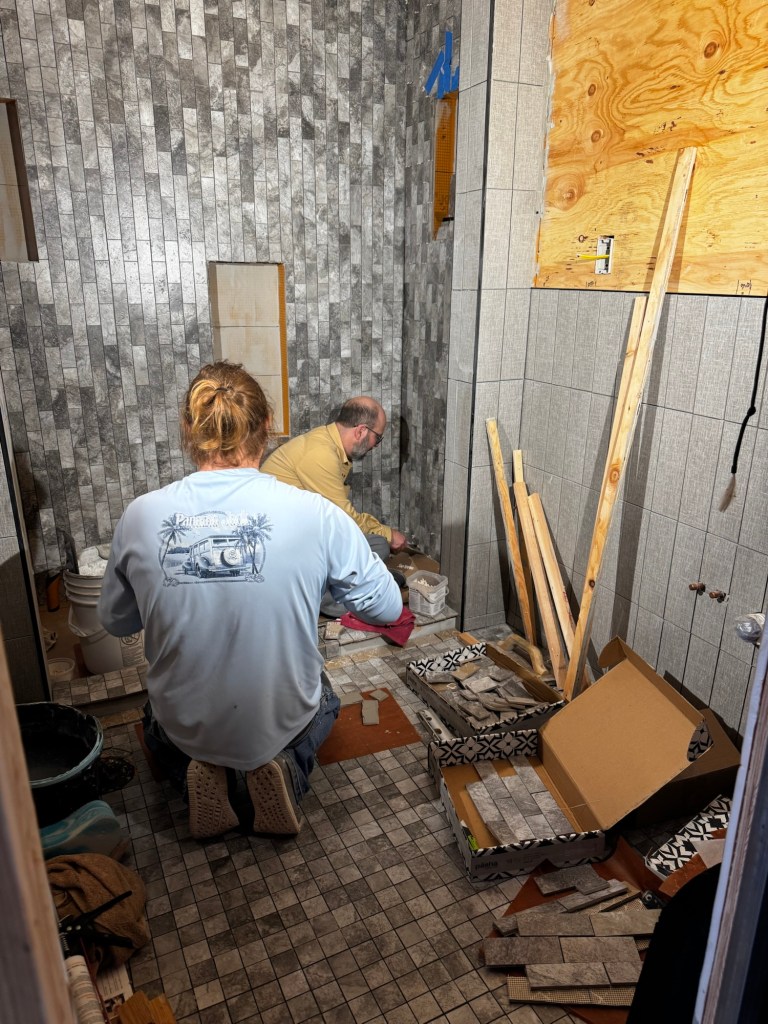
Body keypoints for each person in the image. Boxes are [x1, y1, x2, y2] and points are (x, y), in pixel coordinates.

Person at [97, 361, 402, 840]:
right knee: (324, 695)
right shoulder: (316, 514)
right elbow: (386, 608)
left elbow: (115, 622)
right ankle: (284, 767)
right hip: (282, 716)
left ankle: (199, 768)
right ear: (267, 427)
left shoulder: (140, 516)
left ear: (188, 429)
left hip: (185, 721)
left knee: (156, 719)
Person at [261, 396, 409, 615]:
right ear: (361, 431)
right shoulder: (320, 454)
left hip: (301, 537)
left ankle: (344, 586)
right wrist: (388, 534)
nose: (375, 446)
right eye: (377, 438)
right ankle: (327, 599)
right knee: (378, 544)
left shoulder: (328, 445)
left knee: (375, 543)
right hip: (283, 549)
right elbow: (344, 520)